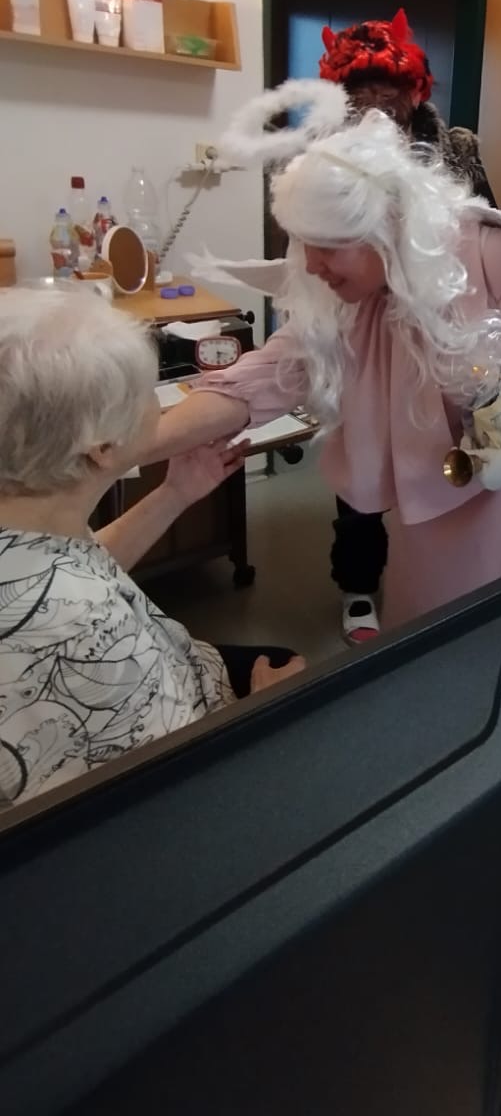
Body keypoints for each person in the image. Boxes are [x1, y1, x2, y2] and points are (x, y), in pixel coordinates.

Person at [150, 86, 501, 780]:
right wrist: (125, 446)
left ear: (381, 228)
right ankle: (447, 754)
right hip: (443, 486)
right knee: (432, 618)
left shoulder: (487, 252)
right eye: (303, 243)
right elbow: (263, 379)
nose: (310, 264)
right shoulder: (348, 295)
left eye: (327, 247)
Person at [0, 288, 305, 809]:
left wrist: (175, 494)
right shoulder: (92, 638)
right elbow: (179, 791)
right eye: (148, 392)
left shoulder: (34, 522)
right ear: (102, 447)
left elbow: (75, 566)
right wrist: (265, 710)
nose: (165, 401)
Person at [316, 9, 496, 643]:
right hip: (362, 328)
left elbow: (488, 228)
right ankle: (358, 584)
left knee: (441, 454)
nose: (374, 109)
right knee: (363, 459)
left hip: (439, 326)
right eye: (358, 96)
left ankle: (442, 576)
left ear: (414, 93)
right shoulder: (327, 157)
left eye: (387, 95)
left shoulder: (457, 149)